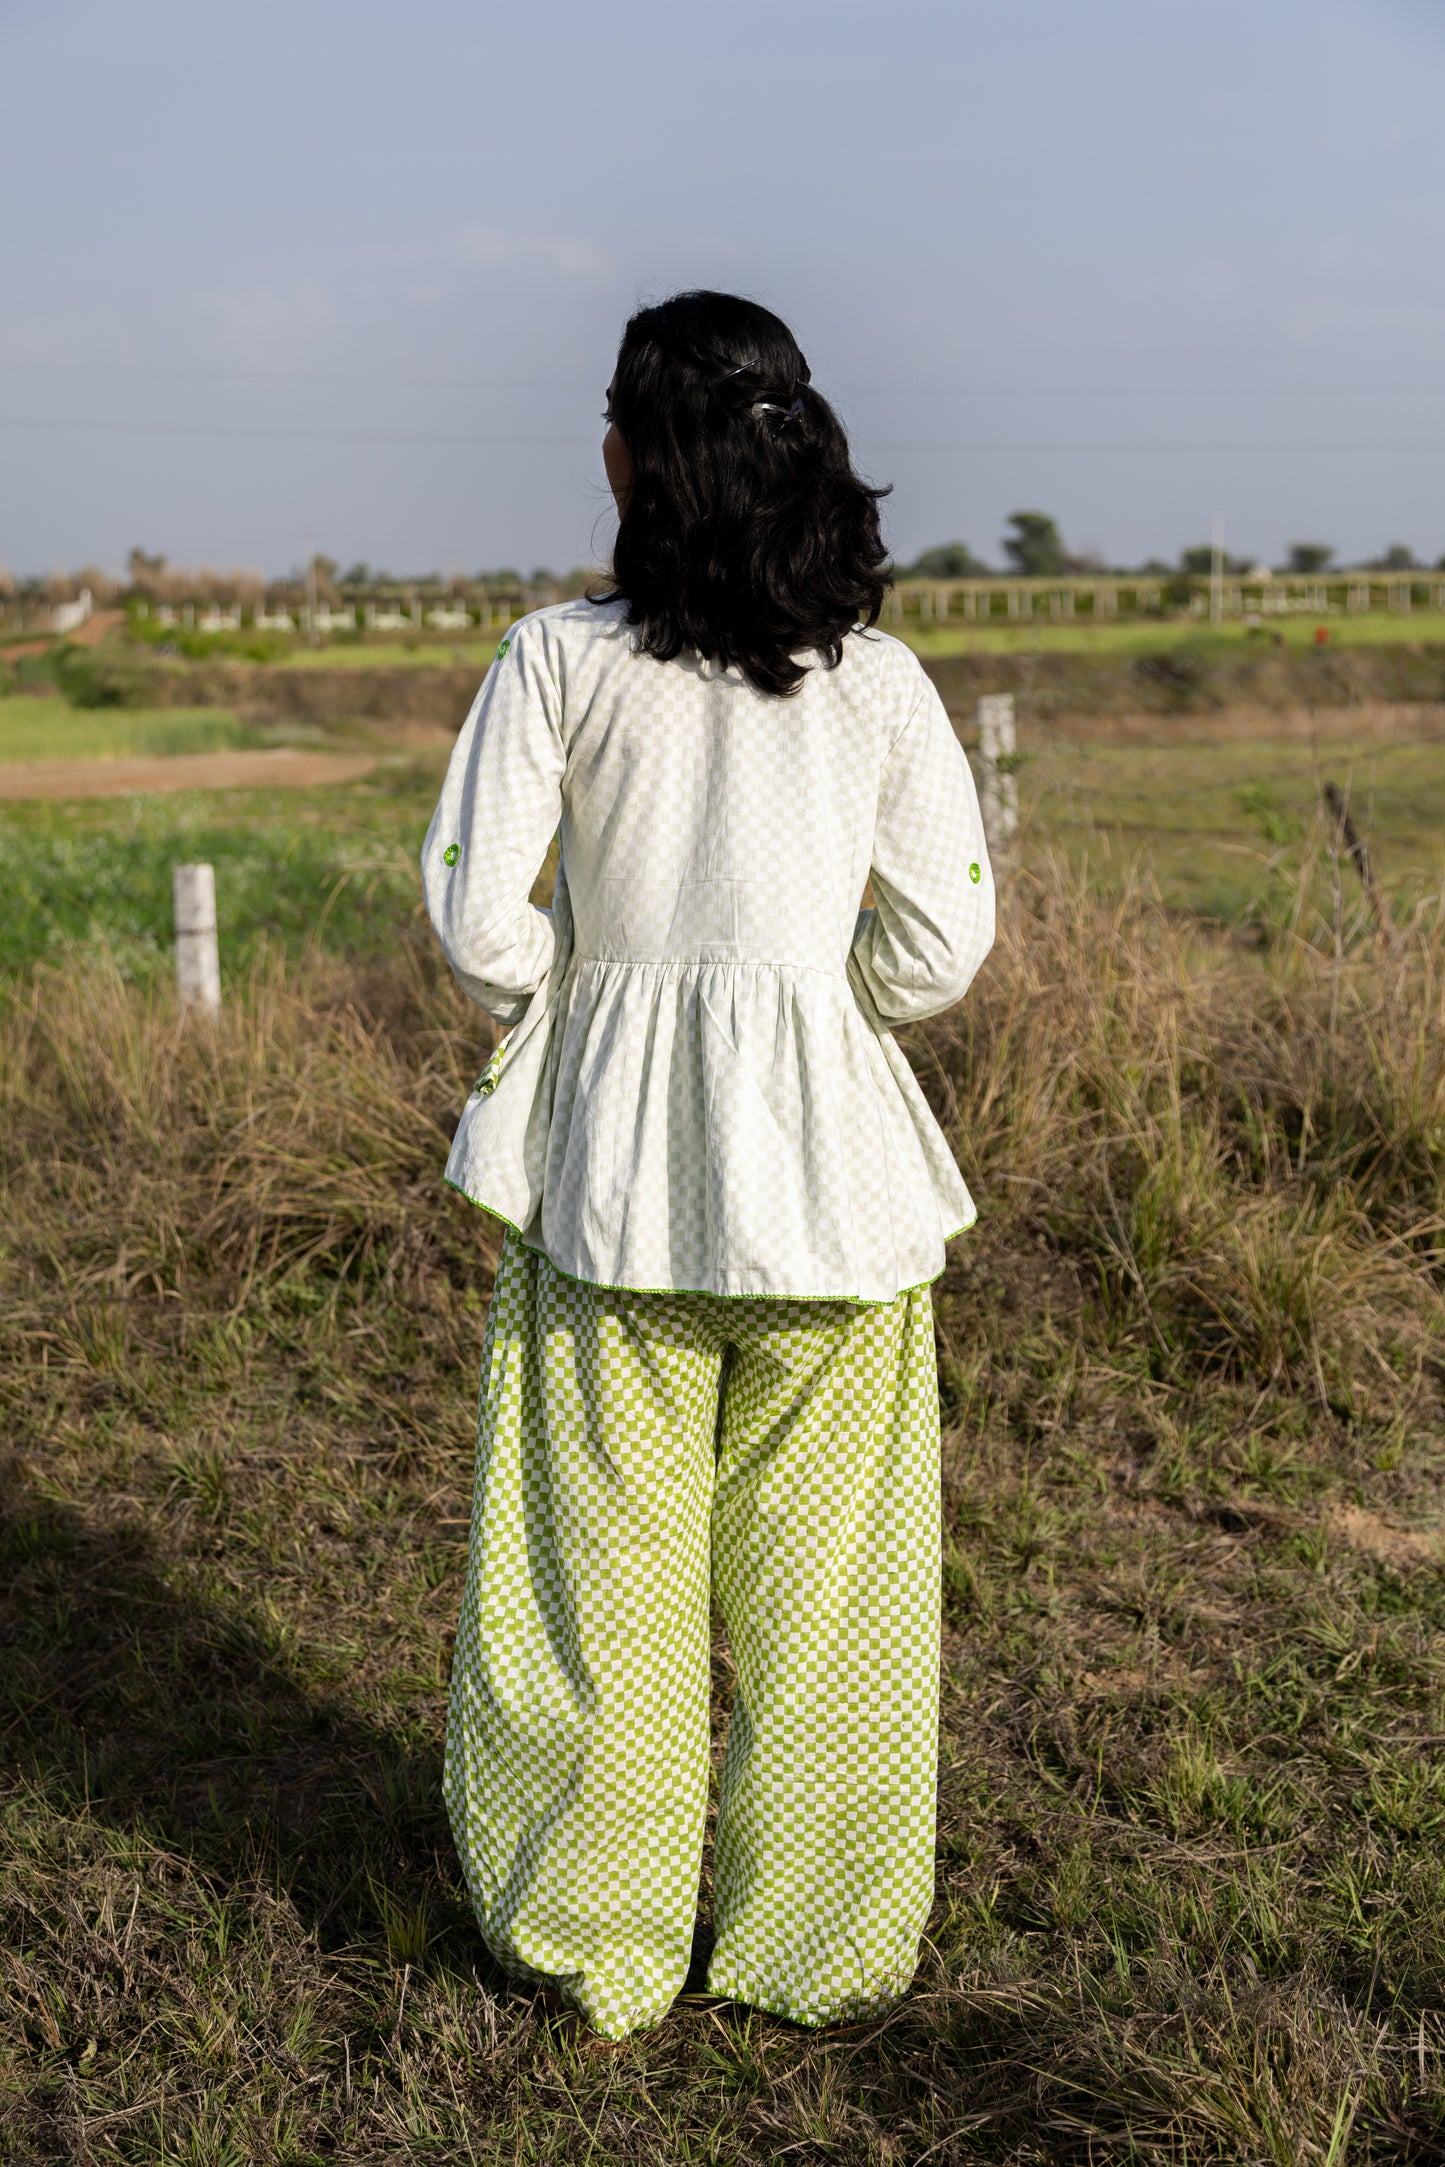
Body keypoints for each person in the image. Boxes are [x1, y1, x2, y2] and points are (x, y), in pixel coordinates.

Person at [422, 290, 995, 2041]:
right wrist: (832, 1015)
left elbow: (472, 916)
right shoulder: (880, 682)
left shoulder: (557, 659)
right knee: (837, 1616)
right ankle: (807, 1950)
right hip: (842, 1189)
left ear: (631, 456)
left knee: (598, 1591)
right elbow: (942, 950)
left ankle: (599, 1948)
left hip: (609, 1183)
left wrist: (575, 1010)